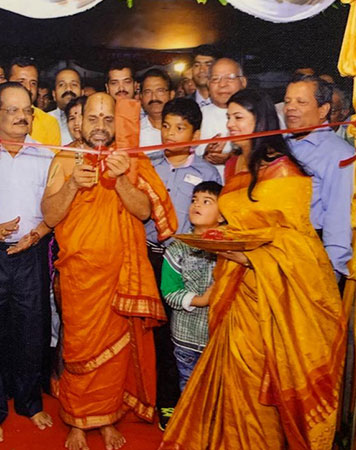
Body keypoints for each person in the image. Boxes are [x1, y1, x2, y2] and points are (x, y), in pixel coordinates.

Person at [162, 87, 347, 449]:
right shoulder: (235, 164)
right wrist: (223, 241)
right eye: (228, 117)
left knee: (256, 376)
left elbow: (296, 239)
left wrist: (246, 256)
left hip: (271, 294)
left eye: (238, 117)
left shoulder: (283, 169)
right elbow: (239, 225)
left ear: (259, 120)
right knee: (233, 376)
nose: (230, 124)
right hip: (234, 290)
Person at [42, 93, 175, 450]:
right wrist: (73, 185)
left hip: (120, 278)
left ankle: (108, 418)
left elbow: (144, 212)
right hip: (79, 277)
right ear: (78, 122)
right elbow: (50, 216)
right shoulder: (65, 158)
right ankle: (76, 420)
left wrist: (121, 180)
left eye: (107, 119)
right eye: (93, 118)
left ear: (117, 122)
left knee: (116, 354)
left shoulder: (129, 159)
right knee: (79, 349)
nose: (100, 126)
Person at [0, 81, 54, 443]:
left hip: (31, 253)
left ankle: (29, 401)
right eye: (13, 110)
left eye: (27, 111)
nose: (22, 117)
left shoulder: (45, 155)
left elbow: (53, 208)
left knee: (32, 330)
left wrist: (37, 234)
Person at [145, 97, 221, 430]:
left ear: (196, 134)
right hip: (150, 256)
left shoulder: (206, 172)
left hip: (188, 260)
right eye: (166, 126)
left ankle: (190, 402)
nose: (171, 134)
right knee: (157, 335)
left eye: (180, 128)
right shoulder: (149, 164)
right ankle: (163, 400)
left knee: (184, 335)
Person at [285, 74, 354, 284]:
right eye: (287, 101)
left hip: (313, 253)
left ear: (323, 110)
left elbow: (339, 216)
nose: (291, 108)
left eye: (301, 102)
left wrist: (331, 271)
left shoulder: (340, 154)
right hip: (277, 250)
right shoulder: (280, 146)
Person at [160, 181, 223, 392]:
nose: (197, 204)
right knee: (189, 389)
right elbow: (170, 291)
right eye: (194, 200)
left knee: (217, 392)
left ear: (222, 215)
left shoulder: (231, 247)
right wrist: (201, 300)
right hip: (187, 339)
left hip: (219, 338)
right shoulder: (177, 248)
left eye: (207, 201)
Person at [0, 56, 61, 146]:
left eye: (33, 83)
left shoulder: (49, 123)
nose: (28, 88)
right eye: (21, 82)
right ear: (7, 83)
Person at [196, 58, 247, 174]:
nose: (222, 84)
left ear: (243, 82)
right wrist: (205, 156)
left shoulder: (258, 114)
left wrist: (233, 159)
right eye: (215, 79)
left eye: (230, 78)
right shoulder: (197, 116)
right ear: (208, 84)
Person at [139, 68, 175, 150]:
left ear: (171, 94)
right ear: (141, 97)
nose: (154, 97)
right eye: (147, 92)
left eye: (160, 91)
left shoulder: (183, 128)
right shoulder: (134, 132)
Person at [49, 68, 82, 144]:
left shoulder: (92, 121)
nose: (68, 89)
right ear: (54, 94)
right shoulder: (42, 121)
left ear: (82, 92)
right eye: (61, 85)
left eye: (74, 84)